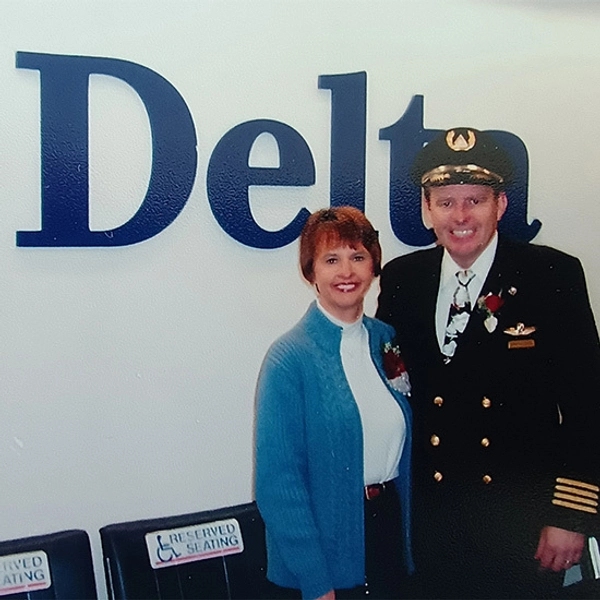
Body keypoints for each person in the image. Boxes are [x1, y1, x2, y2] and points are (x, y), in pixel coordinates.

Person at [376, 127, 600, 598]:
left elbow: (588, 406)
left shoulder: (551, 275)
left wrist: (570, 516)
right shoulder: (403, 280)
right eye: (445, 201)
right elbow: (393, 390)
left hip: (521, 525)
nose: (460, 216)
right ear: (425, 208)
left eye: (474, 200)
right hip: (432, 523)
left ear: (500, 205)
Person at [255, 207, 414, 600]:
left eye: (358, 257)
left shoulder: (386, 339)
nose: (347, 272)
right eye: (331, 260)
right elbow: (277, 484)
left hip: (387, 531)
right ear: (310, 273)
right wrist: (315, 582)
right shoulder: (288, 357)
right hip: (326, 553)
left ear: (374, 266)